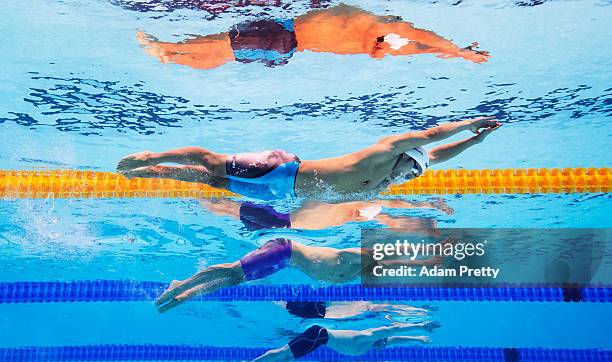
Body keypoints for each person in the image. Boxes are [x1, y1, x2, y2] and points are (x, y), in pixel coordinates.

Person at [117, 117, 502, 200]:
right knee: (210, 161)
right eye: (414, 168)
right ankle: (151, 155)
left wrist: (476, 144)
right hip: (282, 168)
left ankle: (153, 173)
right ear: (405, 157)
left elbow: (438, 153)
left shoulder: (393, 177)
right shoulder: (383, 153)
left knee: (210, 182)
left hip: (281, 192)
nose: (414, 176)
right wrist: (472, 124)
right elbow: (433, 137)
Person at [135, 4, 489, 69]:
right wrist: (457, 54)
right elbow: (417, 47)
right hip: (287, 51)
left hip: (283, 35)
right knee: (226, 55)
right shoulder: (372, 46)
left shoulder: (372, 25)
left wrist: (459, 50)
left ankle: (163, 46)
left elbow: (418, 35)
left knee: (222, 42)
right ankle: (172, 58)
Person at [154, 238, 442, 312]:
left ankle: (187, 294)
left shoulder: (358, 274)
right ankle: (183, 284)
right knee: (232, 270)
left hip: (284, 263)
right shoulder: (359, 256)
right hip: (282, 250)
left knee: (233, 280)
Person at [230, 320, 441, 362]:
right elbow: (391, 330)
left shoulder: (373, 344)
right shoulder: (368, 336)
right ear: (380, 339)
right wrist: (420, 326)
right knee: (282, 354)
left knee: (285, 357)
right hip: (318, 335)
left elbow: (394, 339)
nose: (384, 346)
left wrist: (418, 339)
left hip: (318, 338)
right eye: (384, 343)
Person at [199, 197, 453, 230]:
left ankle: (192, 194)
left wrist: (429, 207)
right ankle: (195, 196)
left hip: (279, 220)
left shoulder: (354, 209)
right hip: (280, 221)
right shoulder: (350, 208)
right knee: (223, 209)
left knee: (222, 208)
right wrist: (427, 209)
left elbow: (392, 209)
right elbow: (392, 212)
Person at [281, 301, 432, 320]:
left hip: (322, 312)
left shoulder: (362, 306)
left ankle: (417, 311)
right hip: (324, 312)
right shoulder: (363, 306)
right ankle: (418, 311)